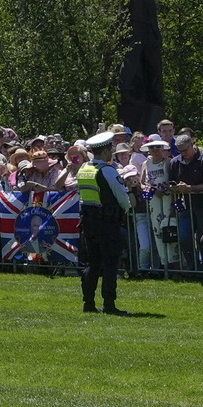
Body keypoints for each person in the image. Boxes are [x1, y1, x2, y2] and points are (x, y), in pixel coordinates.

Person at [74, 130, 130, 314]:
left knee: (93, 263)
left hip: (89, 222)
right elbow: (122, 196)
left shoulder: (84, 169)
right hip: (107, 222)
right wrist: (127, 209)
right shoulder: (107, 171)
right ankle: (109, 304)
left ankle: (88, 303)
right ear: (106, 151)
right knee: (110, 263)